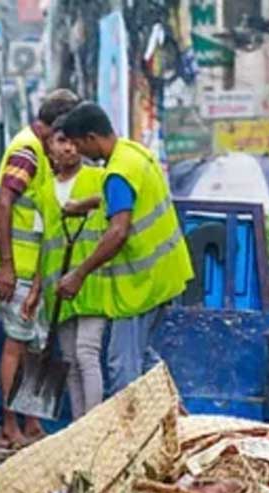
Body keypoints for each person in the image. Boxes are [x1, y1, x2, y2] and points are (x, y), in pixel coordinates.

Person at [53, 103, 194, 395]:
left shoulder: (117, 173)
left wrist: (79, 274)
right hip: (166, 272)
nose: (78, 151)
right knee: (143, 359)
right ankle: (176, 417)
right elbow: (123, 200)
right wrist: (87, 204)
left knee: (122, 367)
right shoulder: (133, 153)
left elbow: (118, 231)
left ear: (91, 137)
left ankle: (129, 434)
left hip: (139, 285)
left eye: (78, 143)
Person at [0, 88, 80, 448]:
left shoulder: (42, 152)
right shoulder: (27, 152)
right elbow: (4, 204)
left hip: (31, 272)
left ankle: (32, 423)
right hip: (12, 271)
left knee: (37, 345)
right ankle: (10, 425)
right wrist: (8, 266)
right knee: (17, 345)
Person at [23, 130, 110, 418]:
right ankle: (78, 425)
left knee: (87, 353)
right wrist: (35, 291)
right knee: (70, 360)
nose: (69, 148)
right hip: (56, 288)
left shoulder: (98, 179)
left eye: (73, 141)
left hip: (91, 282)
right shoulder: (44, 192)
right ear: (49, 147)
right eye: (61, 141)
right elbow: (43, 244)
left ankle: (93, 426)